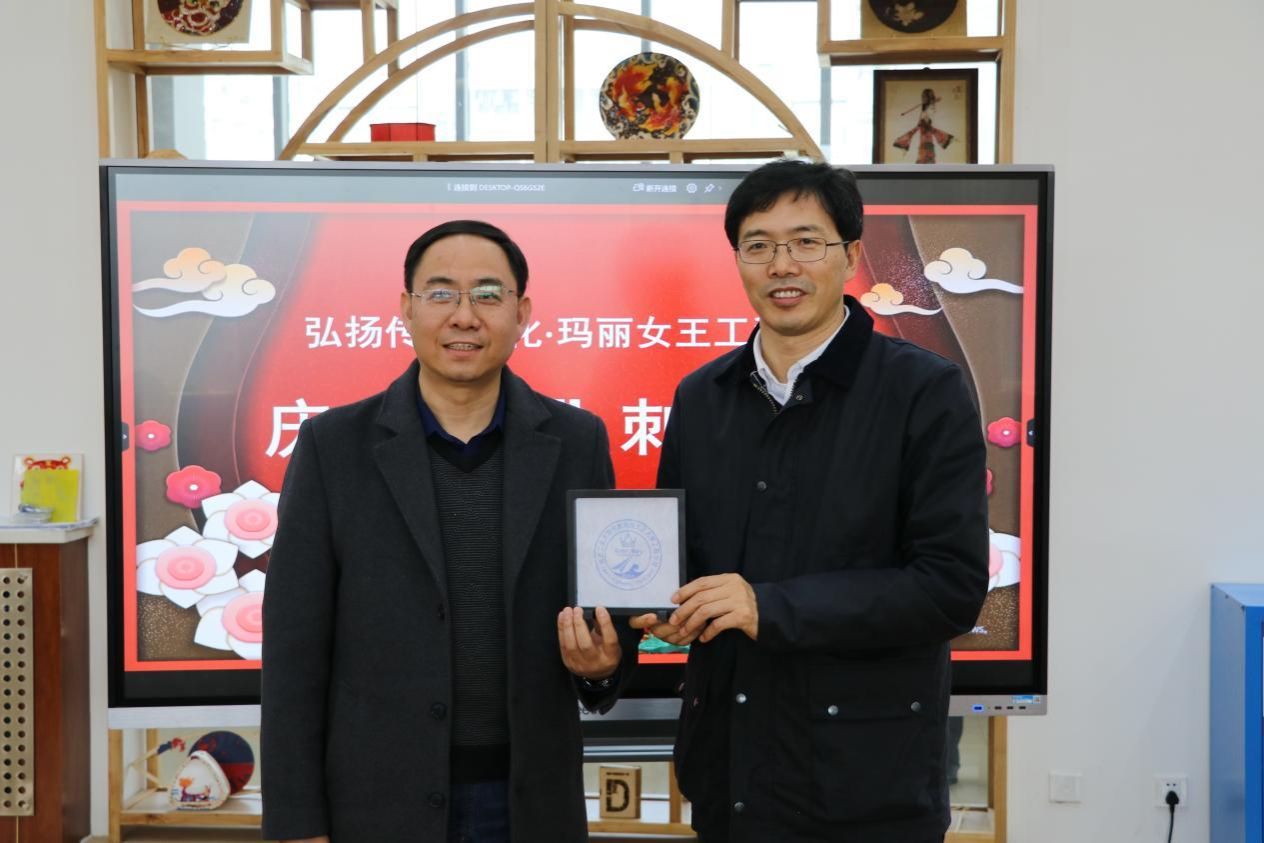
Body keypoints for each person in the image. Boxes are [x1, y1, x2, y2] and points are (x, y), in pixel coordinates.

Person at [631, 159, 989, 842]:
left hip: (867, 786)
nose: (781, 265)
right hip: (729, 779)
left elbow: (950, 588)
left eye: (805, 242)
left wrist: (768, 607)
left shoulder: (923, 392)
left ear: (850, 256)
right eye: (758, 245)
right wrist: (660, 609)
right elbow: (684, 561)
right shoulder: (701, 397)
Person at [262, 220, 639, 843]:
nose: (465, 316)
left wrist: (601, 667)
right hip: (375, 803)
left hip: (528, 802)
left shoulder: (577, 442)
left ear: (522, 313)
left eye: (488, 295)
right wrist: (295, 824)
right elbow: (293, 652)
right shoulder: (333, 446)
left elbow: (606, 618)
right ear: (406, 309)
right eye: (441, 294)